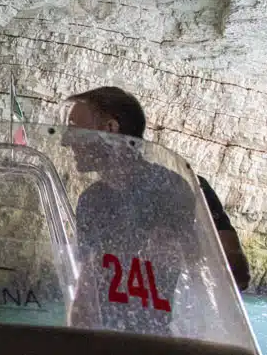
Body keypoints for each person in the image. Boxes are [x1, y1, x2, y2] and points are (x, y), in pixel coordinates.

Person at [65, 87, 252, 292]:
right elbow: (87, 289)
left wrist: (187, 250)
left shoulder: (187, 188)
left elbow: (240, 276)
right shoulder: (91, 200)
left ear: (110, 129)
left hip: (174, 323)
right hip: (105, 325)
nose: (65, 141)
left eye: (74, 129)